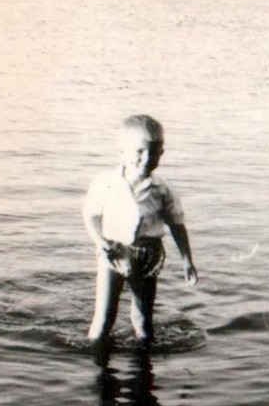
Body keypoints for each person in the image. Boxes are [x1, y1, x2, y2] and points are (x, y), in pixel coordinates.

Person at [83, 115, 198, 348]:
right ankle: (96, 361)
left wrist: (187, 260)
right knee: (104, 316)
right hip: (112, 252)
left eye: (154, 152)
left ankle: (144, 363)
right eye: (139, 151)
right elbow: (91, 215)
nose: (146, 159)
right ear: (122, 153)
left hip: (147, 256)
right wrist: (98, 240)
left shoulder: (162, 189)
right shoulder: (106, 183)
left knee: (143, 317)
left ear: (161, 153)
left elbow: (176, 225)